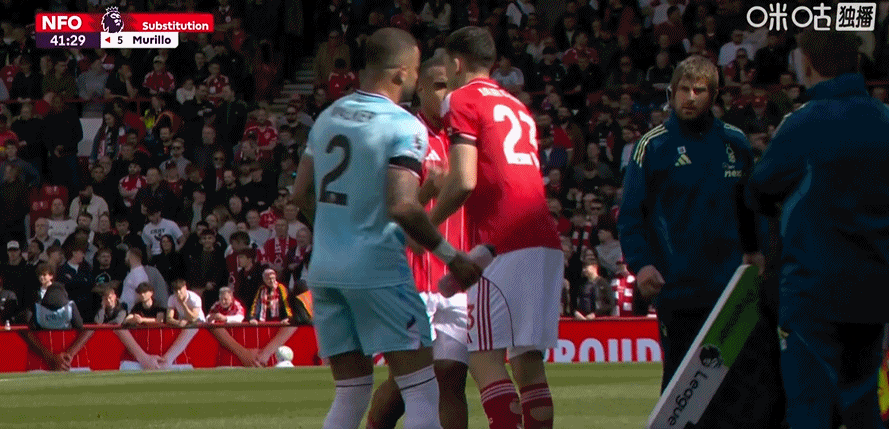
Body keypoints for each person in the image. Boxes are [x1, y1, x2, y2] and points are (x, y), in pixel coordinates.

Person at [292, 28, 481, 429]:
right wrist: (451, 257)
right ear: (401, 73)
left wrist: (336, 229)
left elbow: (300, 192)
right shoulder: (402, 125)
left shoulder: (328, 116)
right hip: (377, 267)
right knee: (422, 391)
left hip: (325, 269)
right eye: (416, 70)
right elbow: (402, 205)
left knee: (350, 394)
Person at [618, 55, 783, 425]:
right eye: (683, 90)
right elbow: (630, 215)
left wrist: (759, 255)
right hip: (680, 290)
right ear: (671, 93)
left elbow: (753, 210)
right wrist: (641, 265)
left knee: (746, 394)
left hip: (734, 293)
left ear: (714, 95)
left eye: (699, 90)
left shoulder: (736, 143)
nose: (690, 97)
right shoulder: (652, 146)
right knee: (684, 396)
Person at [745, 28, 889, 429]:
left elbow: (759, 188)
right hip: (874, 290)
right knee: (862, 406)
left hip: (814, 290)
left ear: (807, 64)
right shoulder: (884, 120)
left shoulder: (804, 123)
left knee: (810, 409)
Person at [425, 26, 562, 429]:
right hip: (543, 238)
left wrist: (425, 226)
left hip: (501, 242)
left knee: (484, 357)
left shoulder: (460, 99)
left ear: (456, 63)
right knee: (527, 361)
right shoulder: (518, 106)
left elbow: (463, 180)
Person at [366, 54, 472, 429]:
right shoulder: (405, 134)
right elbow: (389, 209)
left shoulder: (465, 138)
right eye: (440, 86)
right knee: (408, 382)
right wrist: (429, 190)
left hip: (456, 280)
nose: (447, 95)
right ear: (420, 88)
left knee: (452, 376)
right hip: (412, 278)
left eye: (453, 86)